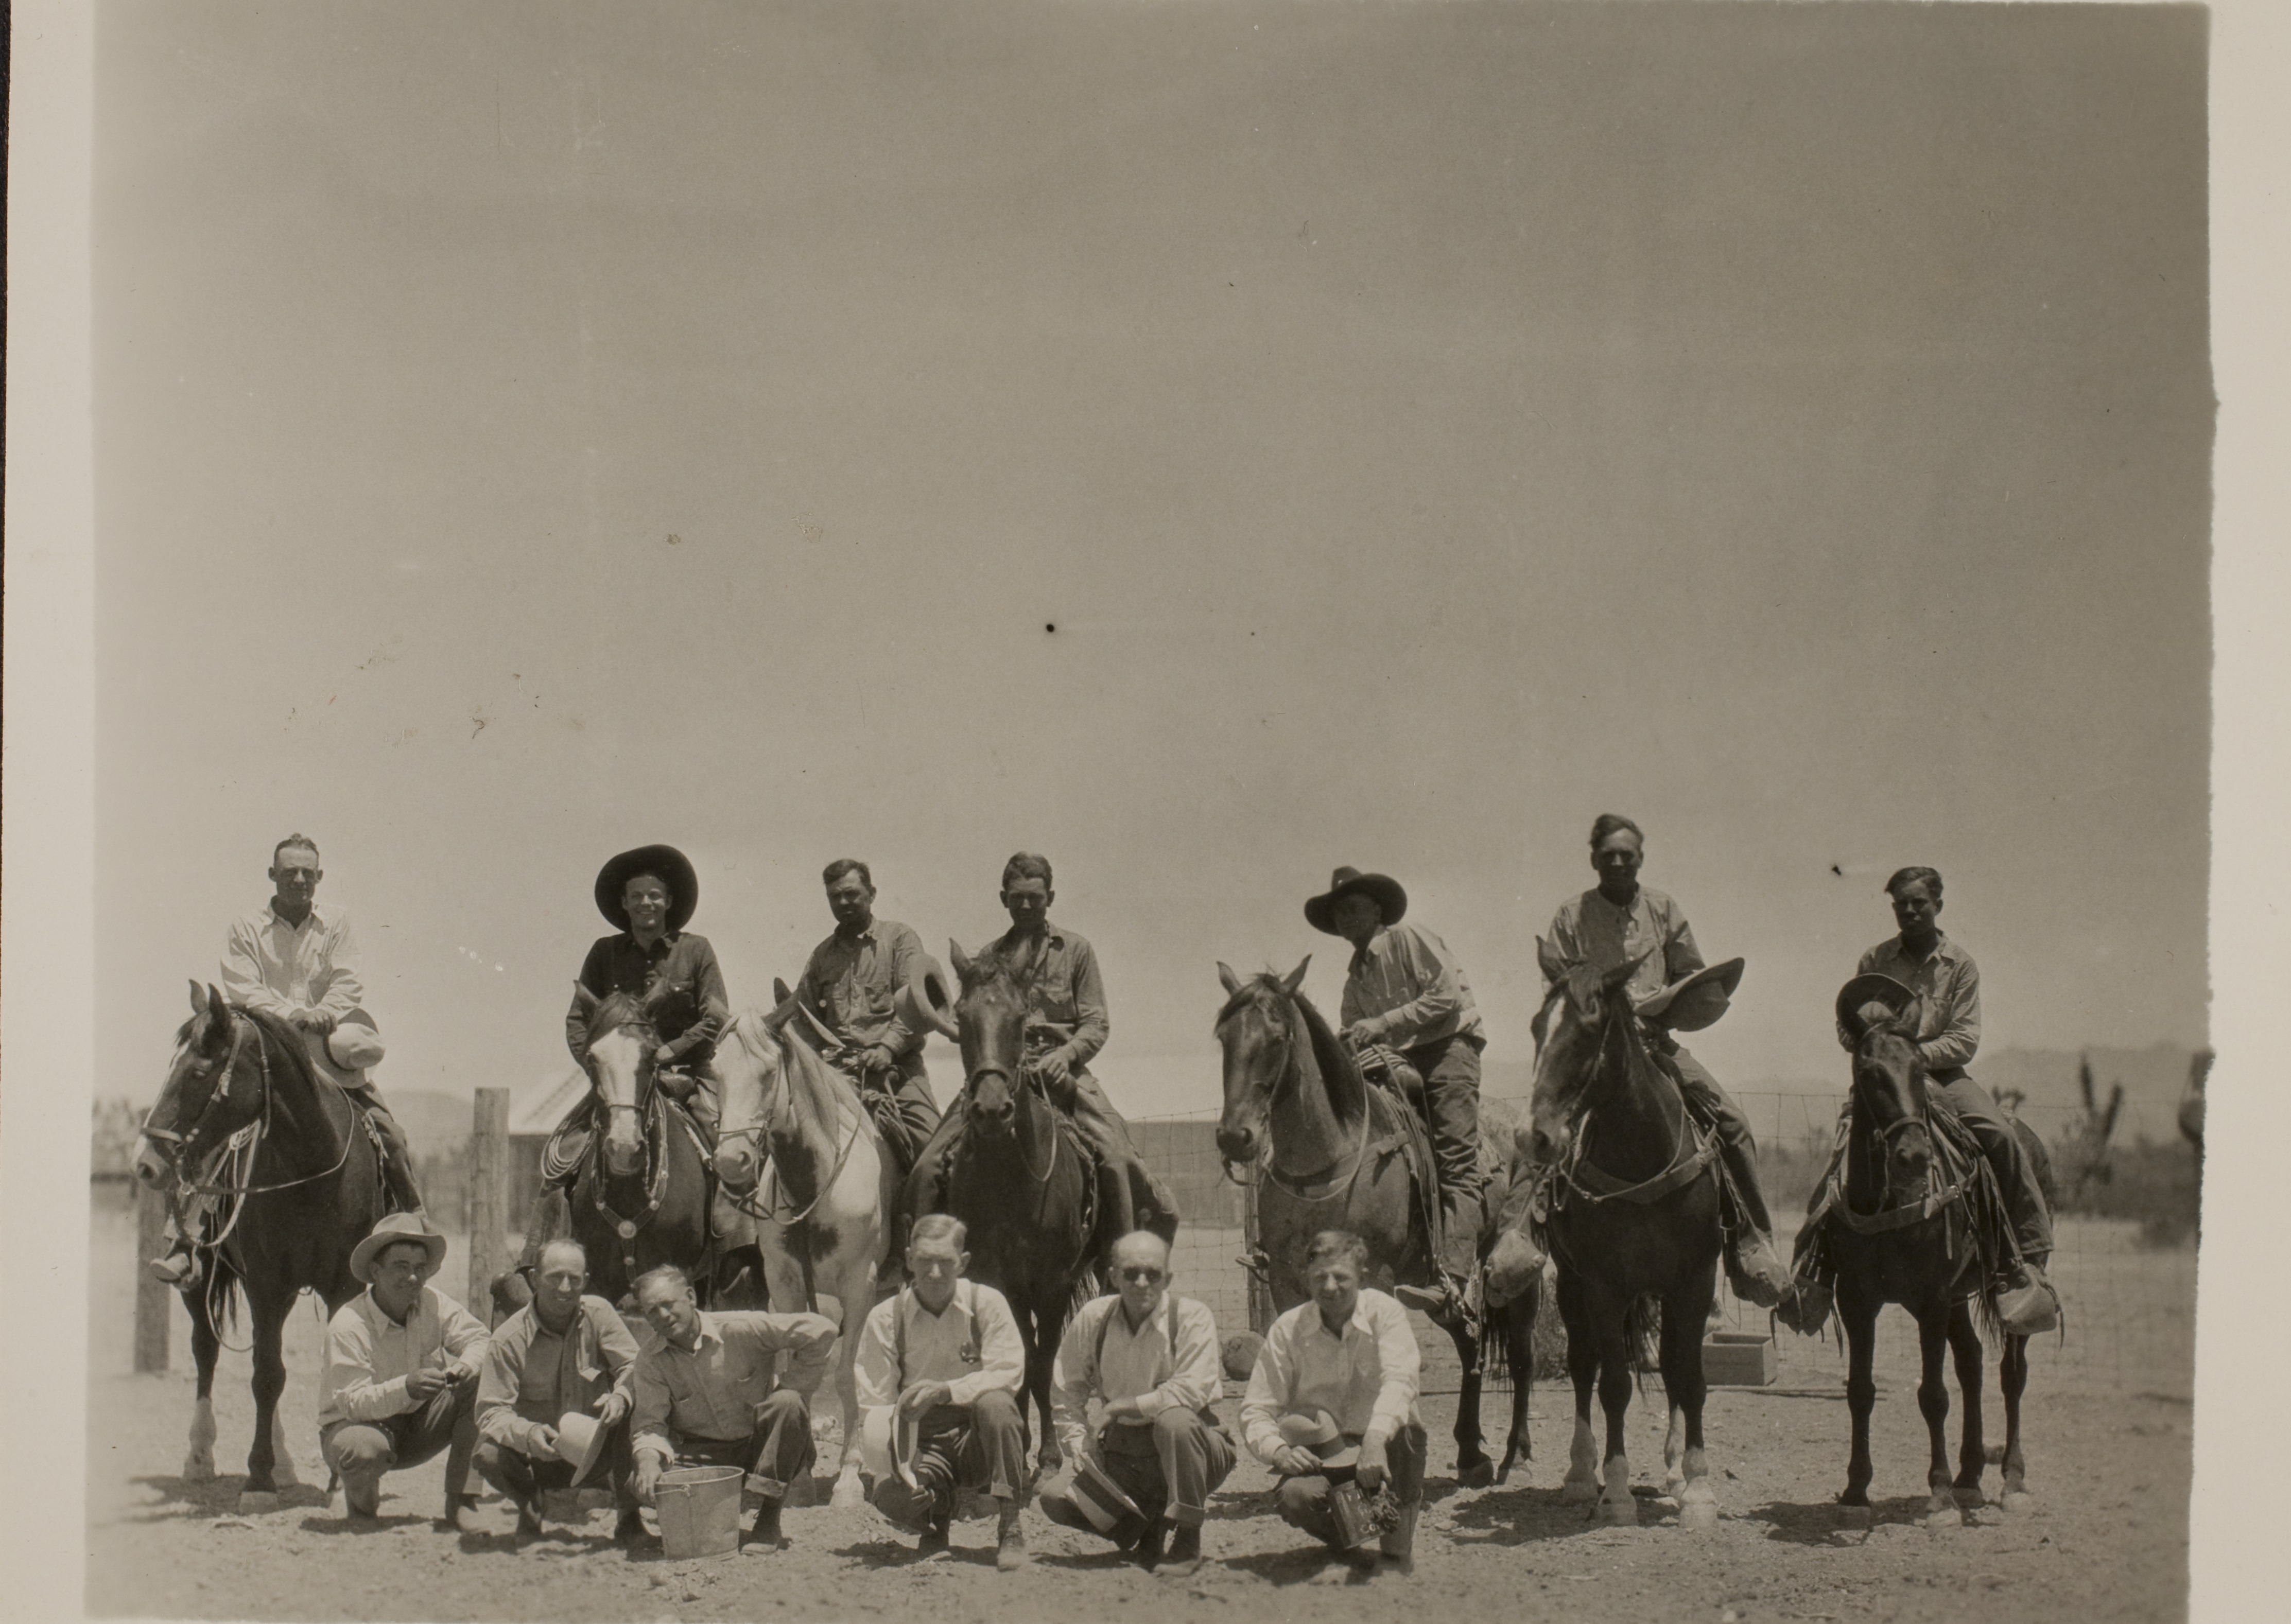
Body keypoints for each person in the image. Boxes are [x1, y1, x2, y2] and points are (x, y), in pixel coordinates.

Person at [1543, 814, 1794, 1306]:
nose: (1618, 861)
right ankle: (1522, 1240)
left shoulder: (1664, 909)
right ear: (1593, 857)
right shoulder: (1570, 917)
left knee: (1735, 1124)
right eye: (1608, 853)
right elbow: (1559, 988)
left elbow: (1694, 979)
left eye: (1627, 853)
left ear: (1640, 857)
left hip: (1658, 1046)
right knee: (1543, 1129)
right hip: (1595, 1052)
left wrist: (1664, 1011)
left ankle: (1752, 1246)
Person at [151, 834, 421, 1284]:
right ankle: (186, 1241)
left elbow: (348, 979)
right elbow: (243, 986)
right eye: (290, 871)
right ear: (273, 875)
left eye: (308, 872)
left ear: (319, 877)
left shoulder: (337, 923)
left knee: (388, 1131)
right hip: (265, 1052)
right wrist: (288, 1016)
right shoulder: (246, 928)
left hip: (327, 1048)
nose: (300, 879)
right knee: (221, 1134)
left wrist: (323, 1014)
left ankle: (410, 1221)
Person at [901, 853, 1176, 1259]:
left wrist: (1065, 1056)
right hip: (1001, 1071)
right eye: (1017, 898)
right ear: (1003, 899)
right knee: (927, 1168)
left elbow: (1097, 1023)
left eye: (1035, 897)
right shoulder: (990, 958)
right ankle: (922, 1271)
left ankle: (1122, 1266)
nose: (1026, 905)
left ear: (1051, 896)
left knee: (1117, 1159)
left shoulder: (1077, 950)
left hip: (1064, 1070)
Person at [1824, 867, 2058, 1334]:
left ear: (1938, 906)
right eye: (1901, 904)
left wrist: (1914, 1056)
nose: (1910, 911)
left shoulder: (1960, 965)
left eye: (1919, 903)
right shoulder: (1875, 959)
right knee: (1842, 1146)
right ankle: (1815, 1267)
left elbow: (1965, 1037)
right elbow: (1849, 1025)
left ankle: (2025, 1259)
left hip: (1945, 1076)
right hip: (1890, 1077)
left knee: (2001, 1135)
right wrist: (1880, 1054)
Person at [525, 845, 733, 1268]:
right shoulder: (604, 953)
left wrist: (668, 1052)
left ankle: (736, 1255)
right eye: (636, 895)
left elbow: (716, 1016)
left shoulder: (696, 950)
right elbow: (578, 1020)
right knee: (563, 1153)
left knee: (725, 1143)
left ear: (669, 901)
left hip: (688, 1074)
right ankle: (534, 1257)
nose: (646, 903)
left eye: (654, 895)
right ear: (624, 903)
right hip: (620, 1082)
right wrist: (605, 1068)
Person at [1306, 865, 1488, 1327]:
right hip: (1398, 1062)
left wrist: (1381, 1025)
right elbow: (1355, 1036)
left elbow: (1445, 996)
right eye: (1338, 912)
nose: (1346, 918)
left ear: (1377, 910)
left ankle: (1453, 1277)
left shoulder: (1408, 938)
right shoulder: (1353, 982)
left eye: (1354, 907)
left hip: (1448, 1048)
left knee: (1455, 1158)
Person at [1040, 1231, 1233, 1576]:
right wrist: (1080, 1444)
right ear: (1113, 1276)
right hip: (1126, 1455)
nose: (1142, 1282)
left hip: (1194, 1447)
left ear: (1168, 1278)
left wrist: (1120, 1407)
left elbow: (1193, 1390)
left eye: (1153, 1274)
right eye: (1130, 1273)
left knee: (1173, 1421)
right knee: (1055, 1498)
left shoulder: (1191, 1316)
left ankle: (1188, 1537)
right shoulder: (1093, 1318)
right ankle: (1147, 1526)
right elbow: (1066, 1390)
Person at [1239, 1229, 1426, 1579]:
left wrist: (1374, 1439)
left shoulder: (1386, 1313)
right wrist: (1279, 1451)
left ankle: (1396, 1552)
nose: (1329, 1287)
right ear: (1305, 1279)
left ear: (1363, 1277)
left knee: (1410, 1428)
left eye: (1341, 1276)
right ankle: (1349, 1543)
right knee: (1295, 1495)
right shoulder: (1287, 1329)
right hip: (1322, 1453)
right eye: (1319, 1277)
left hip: (1379, 1443)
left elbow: (1401, 1380)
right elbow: (1256, 1408)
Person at [854, 1214, 1032, 1570]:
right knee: (890, 1495)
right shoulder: (885, 1317)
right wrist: (898, 1467)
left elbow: (1009, 1372)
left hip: (976, 1435)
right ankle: (935, 1523)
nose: (935, 1273)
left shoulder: (987, 1303)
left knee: (998, 1403)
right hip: (920, 1434)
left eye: (946, 1262)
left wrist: (946, 1391)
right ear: (907, 1259)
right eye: (924, 1261)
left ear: (963, 1263)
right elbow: (876, 1403)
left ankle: (1010, 1523)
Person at [628, 1264, 837, 1554]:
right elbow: (650, 1425)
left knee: (788, 1403)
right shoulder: (650, 1360)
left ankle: (768, 1519)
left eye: (669, 1304)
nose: (663, 1316)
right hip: (703, 1454)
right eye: (652, 1311)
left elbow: (822, 1330)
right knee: (643, 1477)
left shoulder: (741, 1327)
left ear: (690, 1297)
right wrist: (648, 1462)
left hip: (760, 1446)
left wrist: (792, 1387)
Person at [318, 1213, 490, 1527]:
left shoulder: (433, 1303)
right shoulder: (348, 1324)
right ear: (375, 1271)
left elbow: (480, 1338)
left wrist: (465, 1367)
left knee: (482, 1382)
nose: (412, 1278)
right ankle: (360, 1497)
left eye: (420, 1268)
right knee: (364, 1452)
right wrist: (406, 1387)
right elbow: (352, 1404)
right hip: (357, 1429)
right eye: (400, 1266)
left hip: (419, 1426)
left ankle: (463, 1500)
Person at [474, 1239, 646, 1545]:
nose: (565, 1288)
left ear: (586, 1282)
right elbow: (490, 1412)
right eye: (554, 1277)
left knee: (638, 1405)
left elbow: (636, 1366)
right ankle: (530, 1503)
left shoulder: (600, 1314)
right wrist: (529, 1434)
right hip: (539, 1455)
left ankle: (629, 1517)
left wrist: (620, 1396)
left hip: (597, 1450)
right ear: (533, 1278)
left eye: (575, 1279)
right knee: (488, 1454)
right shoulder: (508, 1340)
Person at [792, 858, 943, 1180]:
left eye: (851, 894)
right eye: (835, 897)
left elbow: (916, 1005)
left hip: (897, 1071)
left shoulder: (899, 939)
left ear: (871, 893)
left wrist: (888, 1048)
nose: (843, 902)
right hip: (836, 1074)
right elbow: (803, 1020)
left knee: (934, 1152)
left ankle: (933, 1226)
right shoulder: (822, 956)